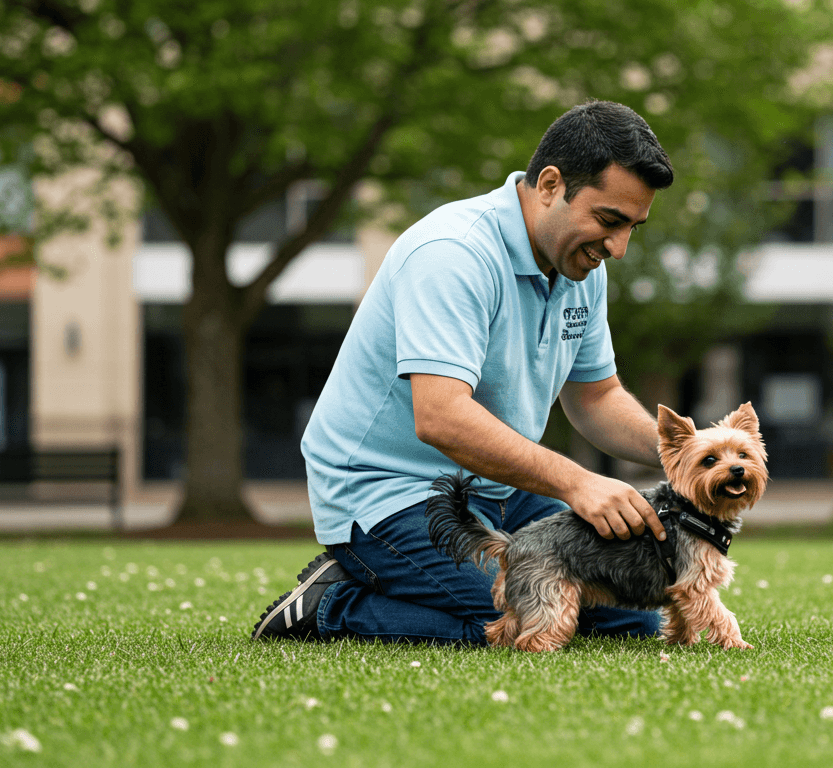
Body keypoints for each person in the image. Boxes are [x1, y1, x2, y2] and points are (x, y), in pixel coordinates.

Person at [252, 100, 675, 645]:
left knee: (635, 616)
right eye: (609, 221)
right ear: (550, 184)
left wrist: (688, 452)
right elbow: (442, 417)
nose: (618, 248)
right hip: (388, 493)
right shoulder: (453, 253)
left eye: (632, 228)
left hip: (501, 491)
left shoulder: (579, 263)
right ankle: (330, 603)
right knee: (518, 619)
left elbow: (595, 397)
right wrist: (578, 483)